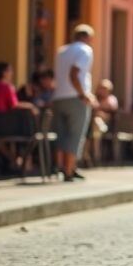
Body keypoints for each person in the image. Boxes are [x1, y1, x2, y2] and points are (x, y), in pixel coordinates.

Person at [52, 25, 96, 182]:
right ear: (86, 37)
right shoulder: (85, 50)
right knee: (75, 135)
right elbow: (74, 73)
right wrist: (83, 94)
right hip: (75, 97)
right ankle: (69, 170)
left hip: (58, 97)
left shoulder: (61, 51)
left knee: (61, 134)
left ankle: (58, 167)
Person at [0, 62, 39, 173]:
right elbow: (14, 105)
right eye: (10, 70)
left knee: (0, 142)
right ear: (4, 73)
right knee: (27, 129)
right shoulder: (7, 87)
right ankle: (25, 163)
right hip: (5, 126)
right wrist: (31, 106)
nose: (12, 73)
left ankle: (15, 161)